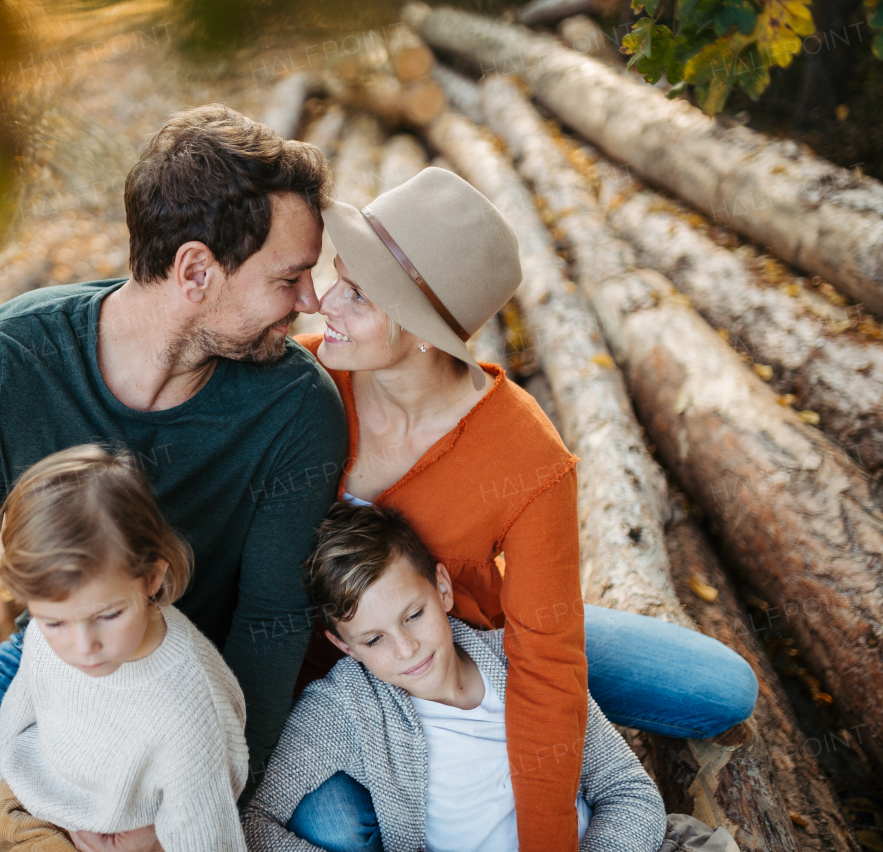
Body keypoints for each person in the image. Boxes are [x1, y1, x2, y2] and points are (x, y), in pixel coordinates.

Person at [0, 103, 348, 852]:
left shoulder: (297, 408)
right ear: (195, 270)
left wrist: (184, 813)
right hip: (56, 657)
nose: (312, 304)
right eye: (290, 278)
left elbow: (269, 625)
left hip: (194, 688)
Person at [289, 166, 758, 852]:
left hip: (478, 643)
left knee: (720, 691)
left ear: (422, 329)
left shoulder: (526, 455)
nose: (326, 301)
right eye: (338, 277)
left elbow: (543, 666)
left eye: (356, 294)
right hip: (347, 673)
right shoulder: (307, 381)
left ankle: (557, 620)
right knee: (342, 828)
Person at [241, 502, 739, 852]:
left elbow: (626, 789)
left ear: (441, 588)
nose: (407, 648)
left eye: (413, 615)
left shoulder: (520, 660)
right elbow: (253, 823)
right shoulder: (344, 708)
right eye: (373, 640)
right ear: (344, 647)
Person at [0, 445, 248, 852]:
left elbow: (204, 831)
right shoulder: (49, 632)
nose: (83, 647)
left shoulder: (185, 706)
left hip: (124, 833)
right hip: (30, 796)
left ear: (152, 578)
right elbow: (22, 704)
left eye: (109, 615)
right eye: (55, 622)